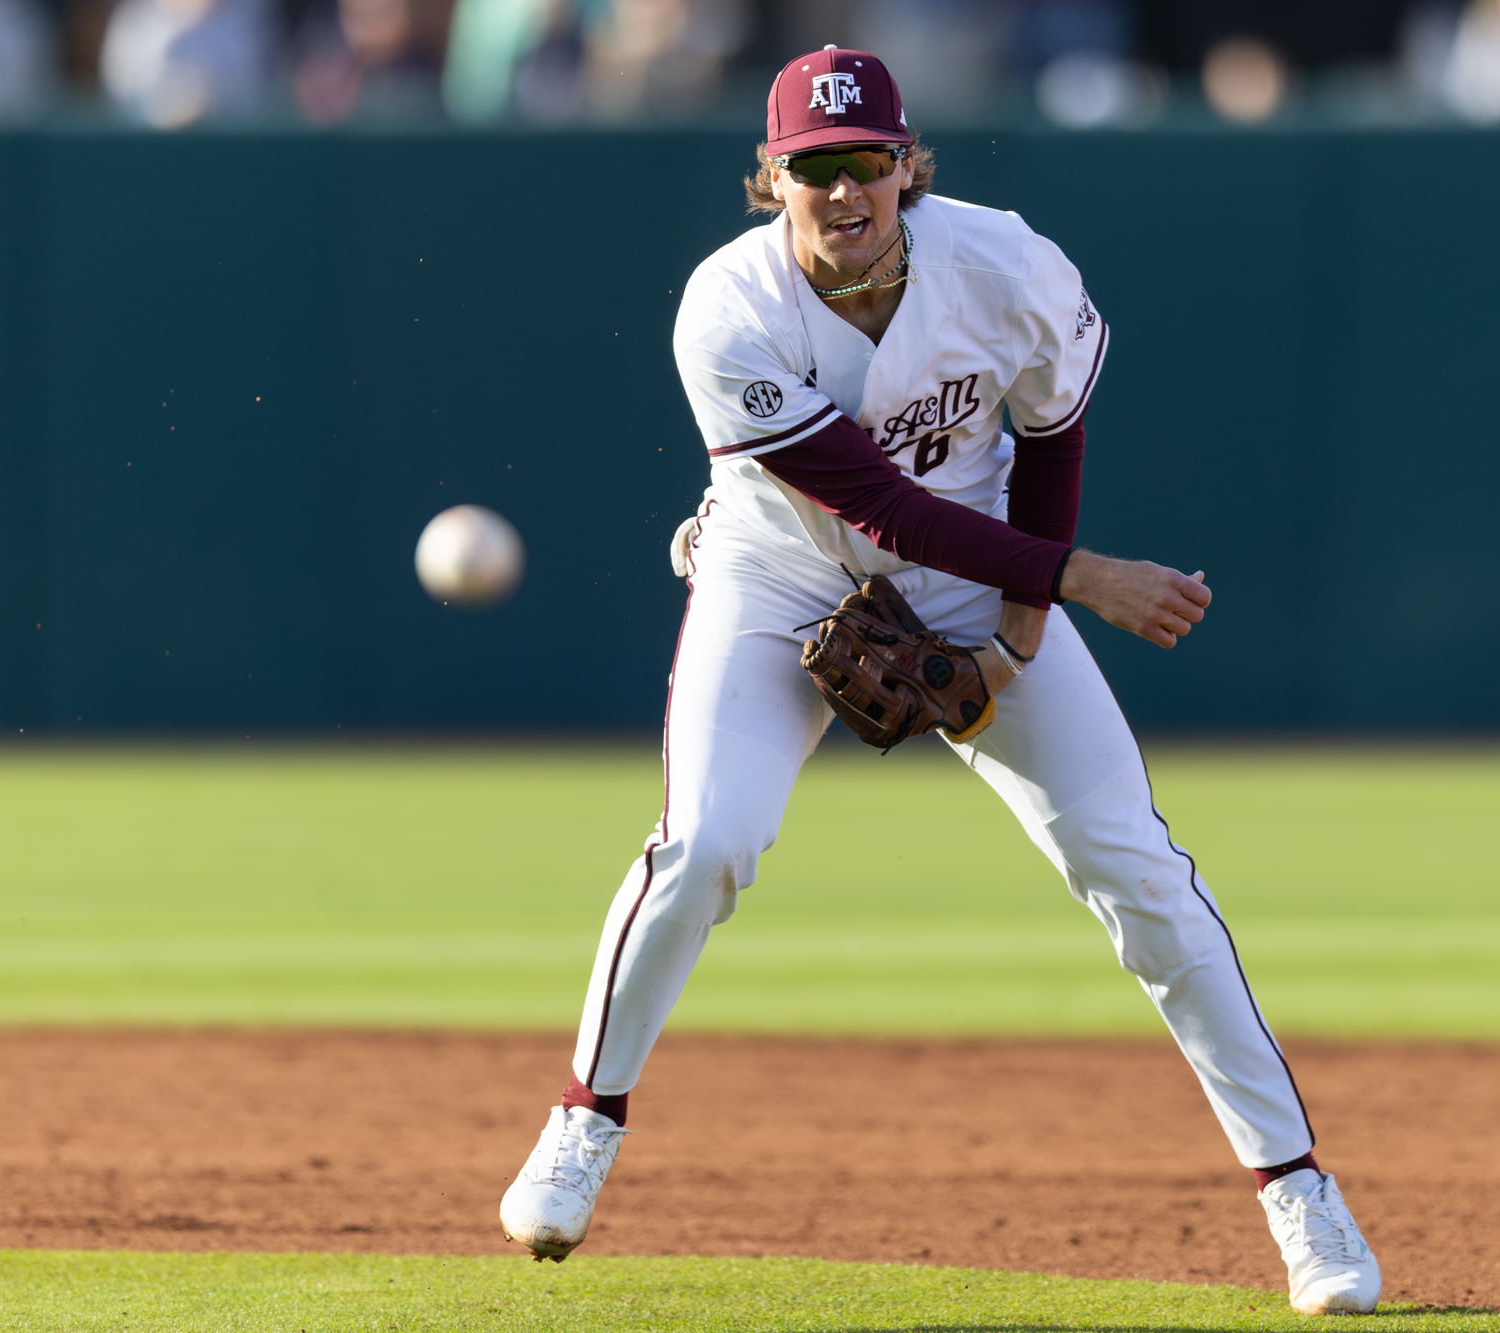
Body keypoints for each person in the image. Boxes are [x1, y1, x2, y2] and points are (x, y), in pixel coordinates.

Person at [498, 44, 1384, 1317]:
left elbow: (1049, 437)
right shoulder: (726, 309)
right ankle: (588, 1114)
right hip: (776, 572)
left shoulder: (1007, 265)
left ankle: (1298, 1189)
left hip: (986, 568)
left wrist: (1018, 631)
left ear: (908, 167)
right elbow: (875, 507)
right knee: (707, 842)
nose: (844, 192)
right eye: (814, 169)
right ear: (770, 179)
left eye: (867, 164)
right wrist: (1084, 581)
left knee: (1138, 875)